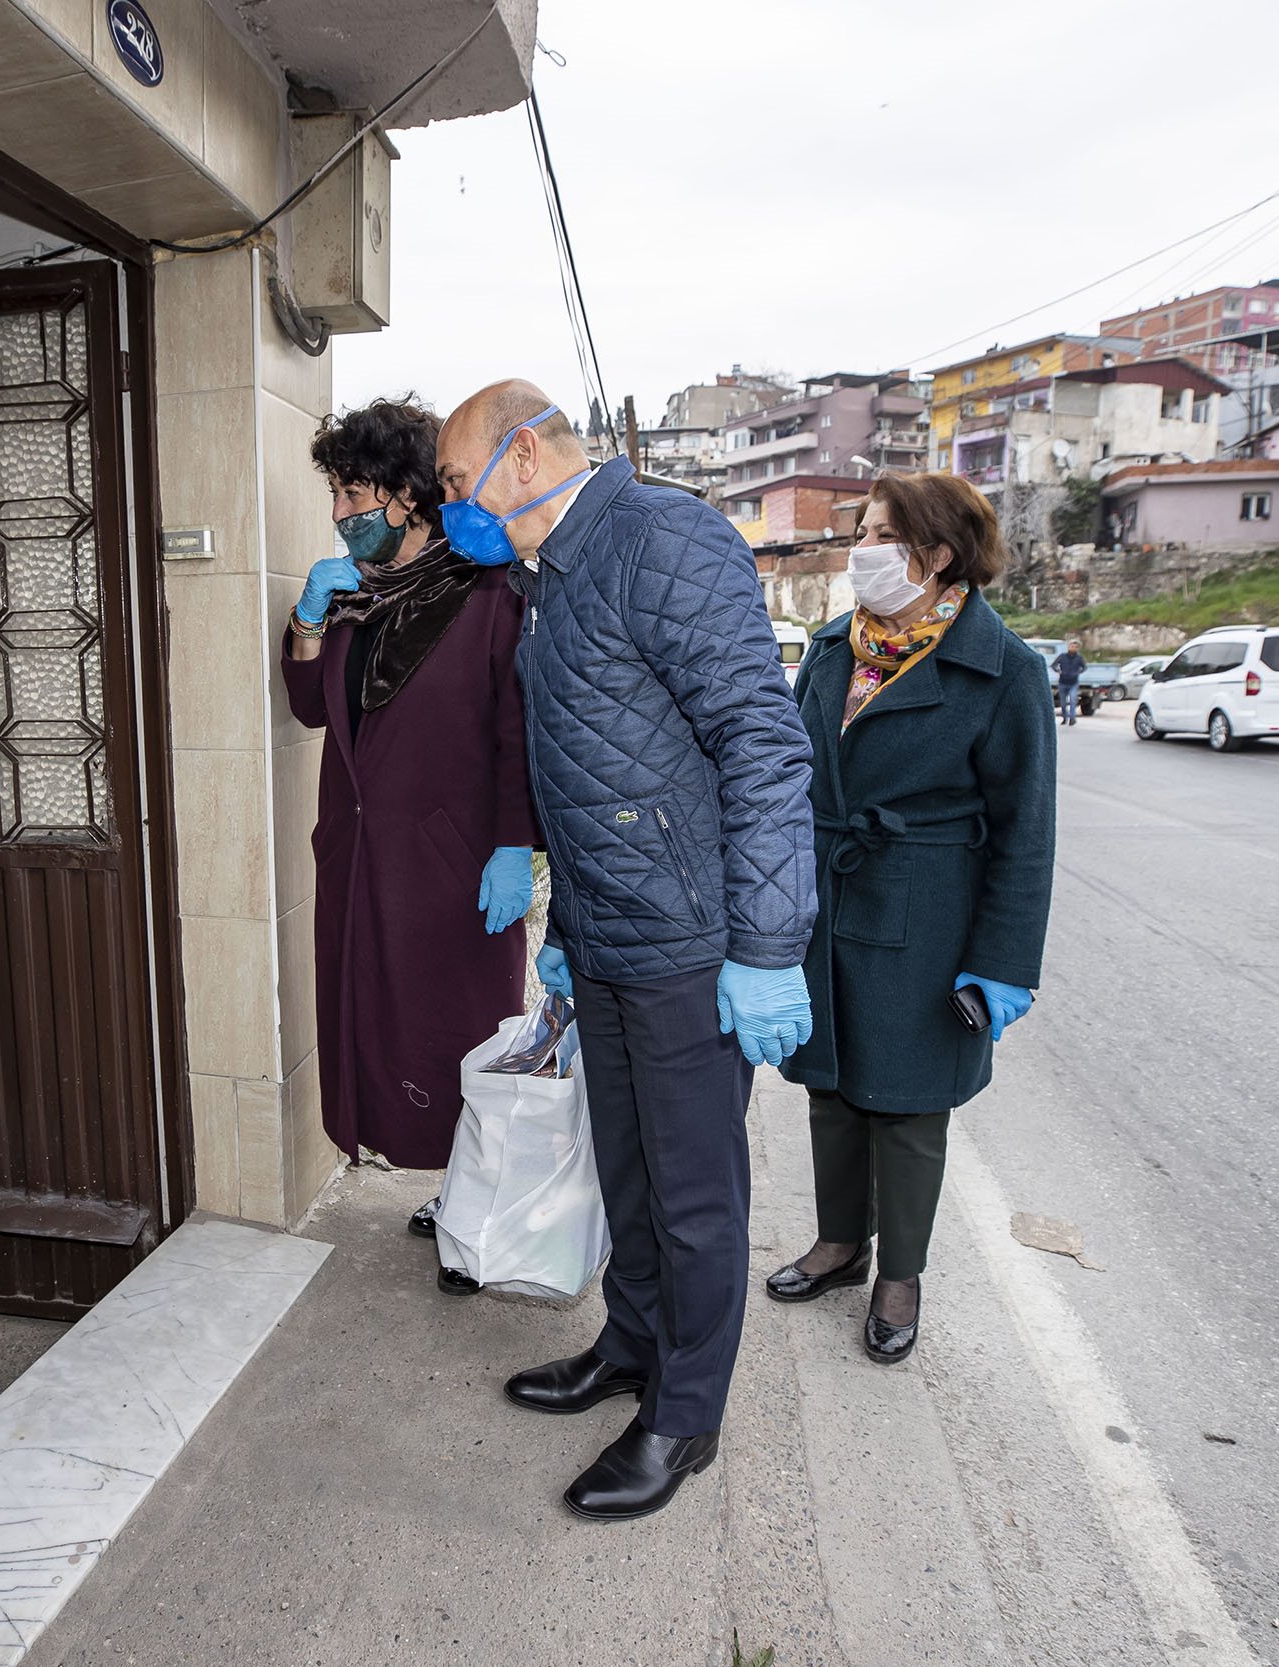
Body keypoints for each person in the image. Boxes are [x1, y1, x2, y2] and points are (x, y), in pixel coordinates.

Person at [437, 380, 815, 1523]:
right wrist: (563, 933)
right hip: (609, 939)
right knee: (630, 1172)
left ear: (522, 452)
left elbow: (759, 740)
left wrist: (765, 941)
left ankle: (685, 1413)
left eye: (457, 482)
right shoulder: (545, 579)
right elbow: (585, 770)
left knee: (697, 1193)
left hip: (695, 946)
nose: (451, 504)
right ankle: (635, 1345)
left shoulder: (661, 535)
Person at [765, 472, 1056, 1367]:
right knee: (832, 1085)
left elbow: (1026, 830)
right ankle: (841, 1245)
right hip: (829, 897)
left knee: (907, 1104)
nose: (863, 549)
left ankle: (903, 1274)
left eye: (882, 535)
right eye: (863, 529)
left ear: (936, 556)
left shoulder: (1004, 669)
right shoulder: (831, 646)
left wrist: (1001, 961)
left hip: (927, 913)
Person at [281, 398, 538, 1290]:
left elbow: (518, 734)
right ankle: (454, 1189)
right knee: (383, 1028)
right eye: (337, 493)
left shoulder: (489, 593)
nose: (341, 511)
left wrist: (515, 846)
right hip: (362, 860)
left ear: (404, 496)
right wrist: (309, 620)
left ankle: (477, 1213)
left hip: (455, 867)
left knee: (462, 1038)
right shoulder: (359, 596)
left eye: (352, 491)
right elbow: (312, 707)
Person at [1051, 639, 1086, 727]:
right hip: (1063, 682)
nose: (1073, 648)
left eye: (1075, 647)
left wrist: (1078, 672)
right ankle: (1064, 718)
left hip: (1073, 682)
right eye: (1071, 646)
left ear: (1078, 648)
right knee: (1063, 703)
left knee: (1073, 700)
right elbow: (1053, 665)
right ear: (1068, 647)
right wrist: (1058, 671)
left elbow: (1084, 667)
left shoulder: (1079, 658)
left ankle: (1072, 718)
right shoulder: (1062, 656)